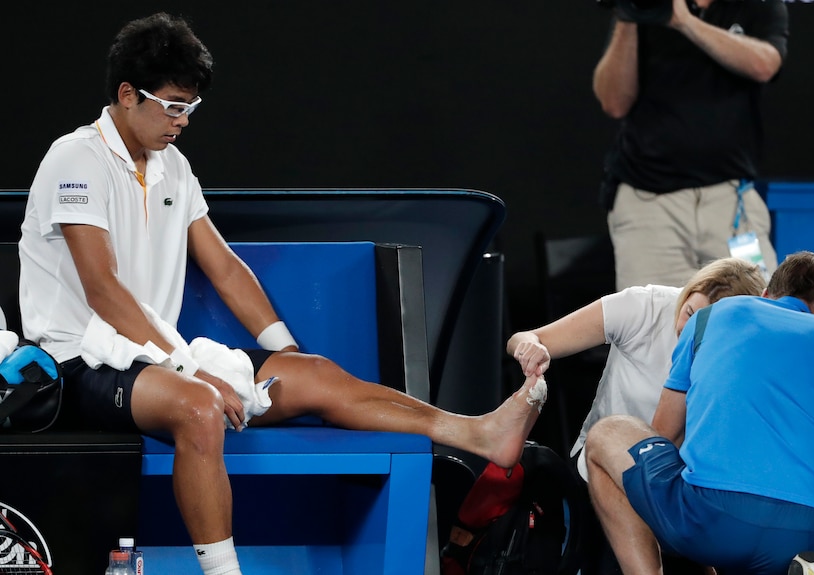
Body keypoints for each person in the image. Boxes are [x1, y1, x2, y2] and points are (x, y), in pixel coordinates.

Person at [17, 13, 545, 575]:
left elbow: (223, 266)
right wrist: (187, 371)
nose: (183, 121)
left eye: (191, 108)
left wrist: (283, 349)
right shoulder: (74, 158)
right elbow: (102, 289)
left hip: (154, 355)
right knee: (200, 409)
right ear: (128, 95)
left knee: (314, 373)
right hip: (78, 361)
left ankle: (476, 432)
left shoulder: (175, 168)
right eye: (173, 105)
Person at [584, 251, 814, 575]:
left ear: (766, 294)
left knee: (607, 433)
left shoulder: (710, 317)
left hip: (709, 522)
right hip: (801, 537)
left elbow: (665, 437)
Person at [507, 257, 766, 574]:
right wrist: (531, 349)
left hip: (683, 488)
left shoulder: (743, 356)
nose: (687, 327)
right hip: (602, 469)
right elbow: (527, 337)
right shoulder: (644, 306)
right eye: (688, 312)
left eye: (704, 324)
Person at [593, 0, 788, 290]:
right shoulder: (645, 8)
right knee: (647, 324)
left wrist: (684, 21)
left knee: (760, 309)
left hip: (731, 199)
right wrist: (628, 16)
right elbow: (613, 102)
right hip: (649, 200)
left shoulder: (756, 5)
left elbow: (765, 64)